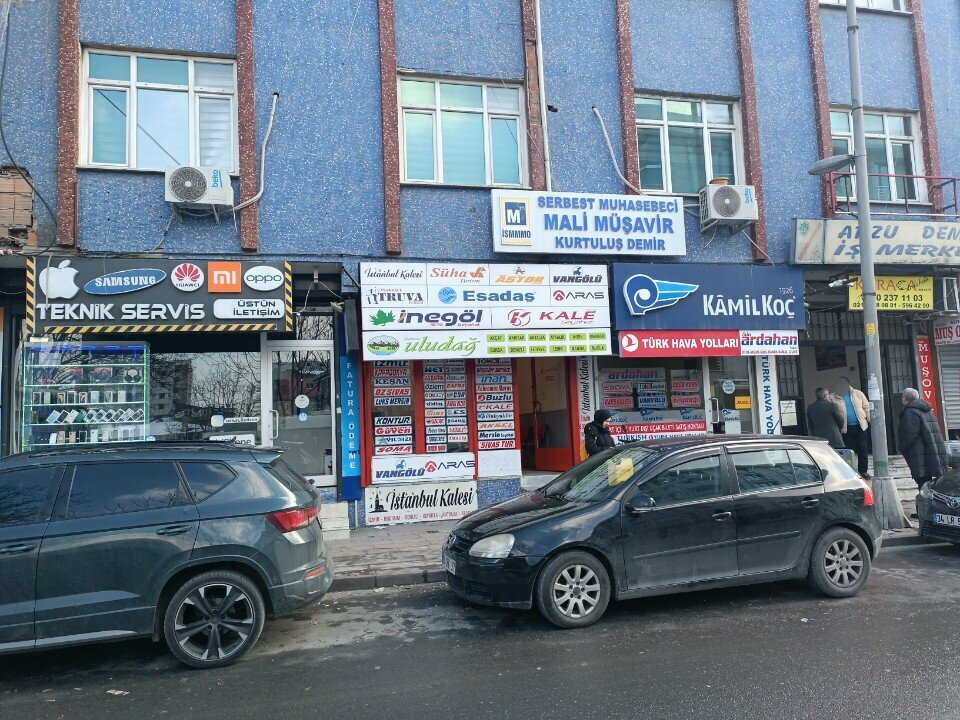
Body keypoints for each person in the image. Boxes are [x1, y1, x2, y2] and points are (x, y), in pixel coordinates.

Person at [897, 387, 948, 489]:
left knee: (923, 484)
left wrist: (902, 448)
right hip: (932, 451)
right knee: (932, 484)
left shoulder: (910, 412)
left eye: (902, 397)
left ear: (905, 399)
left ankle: (924, 500)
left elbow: (909, 434)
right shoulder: (928, 410)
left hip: (919, 453)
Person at [834, 377, 870, 477]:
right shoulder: (833, 397)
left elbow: (867, 407)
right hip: (846, 428)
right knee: (849, 450)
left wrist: (870, 420)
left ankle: (863, 471)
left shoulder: (858, 394)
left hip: (860, 426)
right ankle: (850, 471)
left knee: (863, 449)